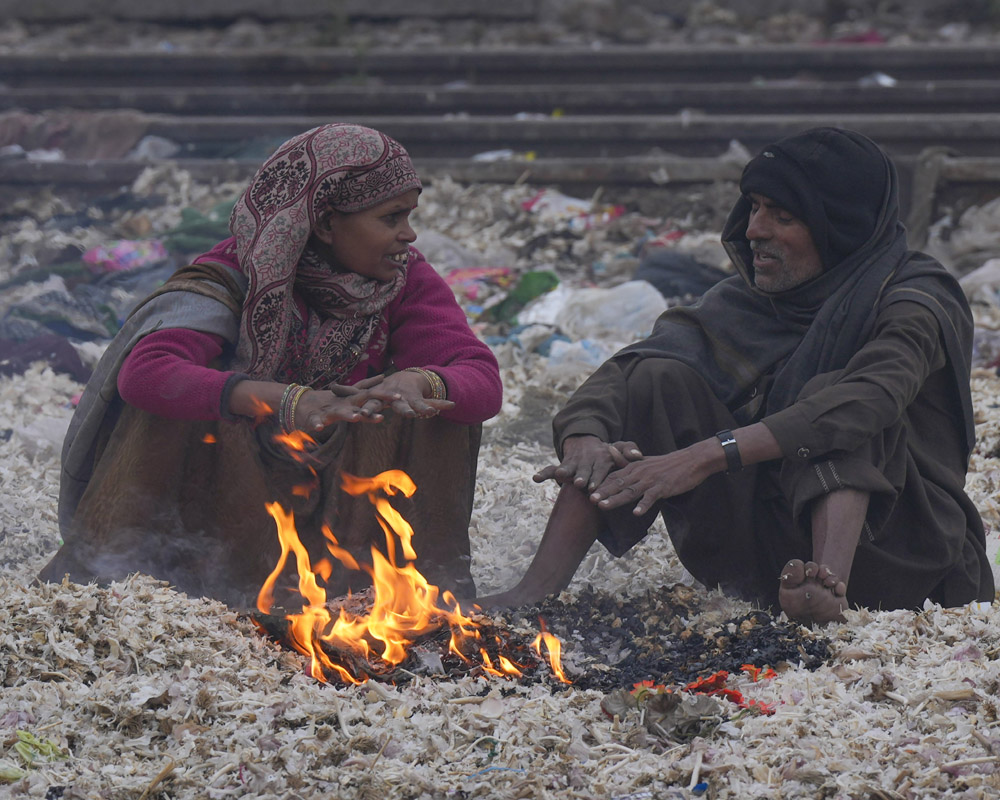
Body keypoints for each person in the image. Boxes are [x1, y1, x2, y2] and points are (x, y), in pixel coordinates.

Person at [479, 127, 994, 624]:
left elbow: (872, 395)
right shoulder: (749, 300)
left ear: (840, 229)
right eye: (754, 208)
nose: (754, 231)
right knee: (659, 378)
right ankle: (535, 590)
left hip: (900, 554)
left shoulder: (917, 298)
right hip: (767, 554)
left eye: (782, 216)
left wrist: (703, 456)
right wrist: (585, 437)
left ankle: (827, 592)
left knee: (835, 405)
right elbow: (635, 366)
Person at [39, 123, 502, 607]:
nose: (408, 234)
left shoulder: (402, 277)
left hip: (349, 510)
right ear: (323, 223)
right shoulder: (232, 276)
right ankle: (143, 591)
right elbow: (147, 373)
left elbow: (480, 379)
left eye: (409, 216)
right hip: (227, 510)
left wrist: (419, 380)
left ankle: (398, 597)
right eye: (391, 218)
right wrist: (283, 402)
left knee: (440, 407)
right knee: (171, 403)